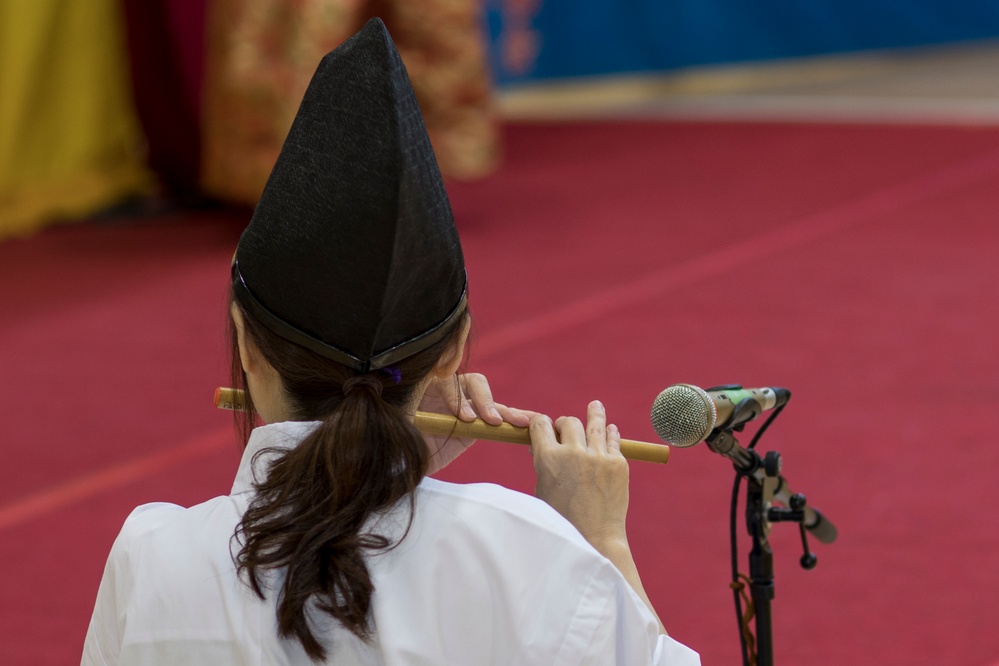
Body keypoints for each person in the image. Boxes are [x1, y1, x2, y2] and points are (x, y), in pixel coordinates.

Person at [82, 19, 699, 665]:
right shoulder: (525, 546)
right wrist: (598, 539)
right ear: (453, 354)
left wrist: (387, 466)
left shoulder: (151, 553)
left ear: (247, 344)